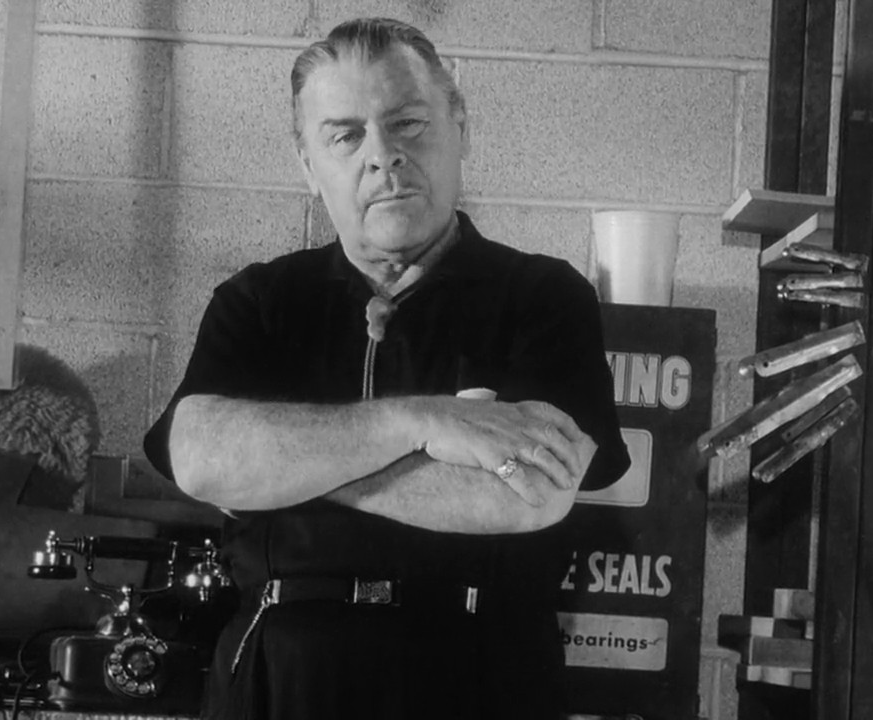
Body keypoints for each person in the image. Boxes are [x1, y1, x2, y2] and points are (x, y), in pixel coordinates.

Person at [143, 17, 631, 720]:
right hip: (278, 685)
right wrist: (424, 423)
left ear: (460, 129)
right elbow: (199, 457)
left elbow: (529, 494)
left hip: (482, 678)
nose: (383, 157)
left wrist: (290, 470)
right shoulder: (258, 302)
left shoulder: (544, 296)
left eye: (407, 124)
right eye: (346, 136)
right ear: (308, 165)